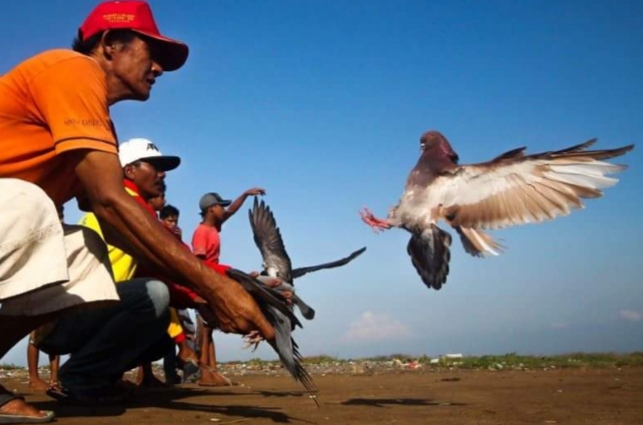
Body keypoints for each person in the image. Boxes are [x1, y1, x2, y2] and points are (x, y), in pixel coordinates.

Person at [0, 1, 275, 421]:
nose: (160, 69)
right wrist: (217, 290)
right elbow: (113, 200)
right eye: (152, 54)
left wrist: (211, 290)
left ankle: (84, 374)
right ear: (111, 44)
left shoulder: (95, 123)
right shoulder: (71, 70)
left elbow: (115, 221)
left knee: (82, 252)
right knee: (36, 208)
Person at [192, 188, 265, 386]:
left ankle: (211, 371)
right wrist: (232, 276)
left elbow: (232, 210)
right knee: (207, 328)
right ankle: (206, 372)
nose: (223, 210)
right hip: (209, 280)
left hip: (217, 277)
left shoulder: (215, 226)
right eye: (220, 207)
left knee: (209, 329)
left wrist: (246, 194)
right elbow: (200, 265)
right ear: (211, 209)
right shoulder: (201, 233)